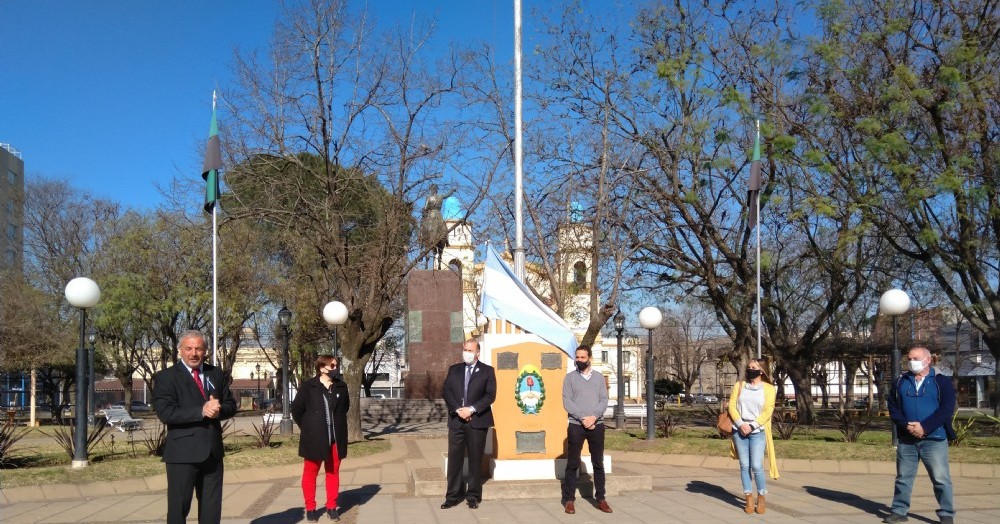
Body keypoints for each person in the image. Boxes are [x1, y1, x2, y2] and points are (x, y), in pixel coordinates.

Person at [152, 330, 237, 524]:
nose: (194, 353)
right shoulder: (166, 377)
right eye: (189, 348)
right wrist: (201, 411)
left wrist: (219, 410)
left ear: (205, 350)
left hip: (213, 454)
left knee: (211, 509)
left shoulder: (215, 373)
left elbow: (231, 406)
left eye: (198, 348)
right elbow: (166, 413)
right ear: (180, 350)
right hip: (183, 454)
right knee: (178, 508)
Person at [884, 347, 956, 524]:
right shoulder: (901, 381)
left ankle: (946, 513)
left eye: (915, 358)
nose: (911, 361)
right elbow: (893, 407)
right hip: (907, 439)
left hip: (935, 438)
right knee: (903, 477)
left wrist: (925, 427)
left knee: (940, 478)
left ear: (928, 360)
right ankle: (899, 511)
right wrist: (906, 425)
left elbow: (946, 409)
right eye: (909, 358)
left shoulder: (941, 381)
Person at [291, 355, 350, 522]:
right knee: (310, 473)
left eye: (336, 365)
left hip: (335, 439)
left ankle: (332, 507)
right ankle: (310, 508)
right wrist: (309, 427)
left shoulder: (341, 386)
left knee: (333, 472)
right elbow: (297, 410)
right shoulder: (309, 386)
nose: (335, 368)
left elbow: (344, 408)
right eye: (332, 365)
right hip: (314, 438)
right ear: (322, 367)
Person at [440, 339, 496, 509]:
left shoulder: (487, 371)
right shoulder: (454, 370)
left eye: (470, 350)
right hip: (457, 421)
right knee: (455, 459)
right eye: (465, 349)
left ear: (477, 353)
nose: (466, 353)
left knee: (474, 459)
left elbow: (490, 395)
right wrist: (458, 410)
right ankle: (452, 496)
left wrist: (471, 409)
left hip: (477, 421)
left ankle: (473, 495)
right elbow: (446, 391)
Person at [561, 345, 612, 515]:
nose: (579, 360)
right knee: (572, 464)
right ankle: (569, 499)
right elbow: (567, 402)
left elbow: (604, 400)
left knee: (598, 463)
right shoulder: (569, 378)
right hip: (576, 425)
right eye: (577, 357)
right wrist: (583, 418)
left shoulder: (598, 378)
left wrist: (594, 417)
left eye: (582, 357)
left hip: (596, 425)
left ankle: (601, 499)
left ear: (589, 358)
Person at [727, 358, 779, 515]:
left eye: (754, 367)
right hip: (739, 430)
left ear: (761, 371)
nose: (750, 370)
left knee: (756, 466)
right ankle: (748, 497)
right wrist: (741, 423)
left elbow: (768, 411)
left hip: (757, 431)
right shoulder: (739, 386)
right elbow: (731, 406)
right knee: (744, 466)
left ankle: (761, 497)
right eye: (749, 367)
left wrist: (752, 426)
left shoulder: (769, 389)